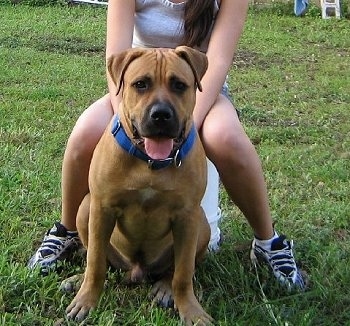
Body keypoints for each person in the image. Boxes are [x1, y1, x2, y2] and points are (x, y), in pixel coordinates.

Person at [28, 0, 306, 290]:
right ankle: (68, 230)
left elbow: (218, 62)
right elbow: (116, 55)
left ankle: (267, 242)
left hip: (195, 89)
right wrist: (129, 123)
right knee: (85, 132)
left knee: (225, 137)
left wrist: (185, 126)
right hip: (136, 86)